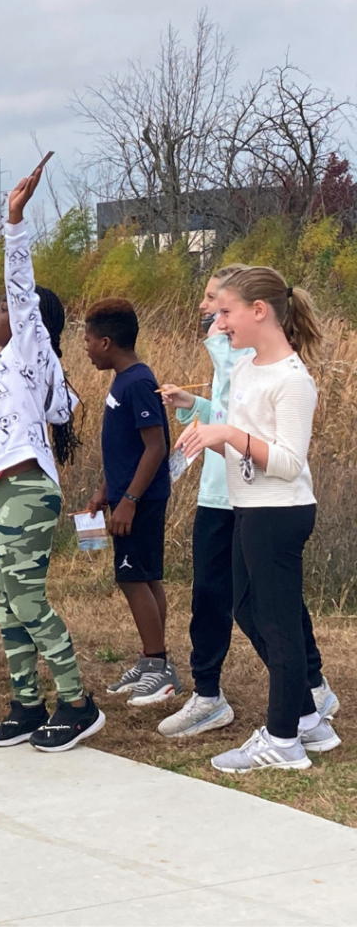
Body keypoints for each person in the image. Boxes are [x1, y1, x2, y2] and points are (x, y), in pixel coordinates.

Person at [0, 165, 103, 751]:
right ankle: (26, 702)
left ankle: (77, 702)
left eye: (1, 310)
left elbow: (21, 288)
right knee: (5, 604)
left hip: (25, 491)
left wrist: (13, 222)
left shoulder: (28, 350)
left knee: (26, 598)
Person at [178, 266, 340, 773]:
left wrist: (226, 435)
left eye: (226, 312)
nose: (219, 322)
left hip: (281, 513)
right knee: (247, 611)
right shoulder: (247, 369)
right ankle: (309, 718)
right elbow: (235, 434)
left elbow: (290, 461)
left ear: (259, 311)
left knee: (279, 624)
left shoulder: (294, 381)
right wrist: (206, 429)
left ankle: (284, 740)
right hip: (249, 508)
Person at [155, 264, 253, 737]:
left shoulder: (242, 352)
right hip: (218, 490)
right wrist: (192, 407)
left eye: (213, 299)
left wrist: (218, 339)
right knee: (212, 596)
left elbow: (244, 422)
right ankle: (208, 693)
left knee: (252, 601)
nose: (203, 306)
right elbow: (226, 413)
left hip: (244, 495)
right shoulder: (228, 353)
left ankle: (310, 689)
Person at [85, 298, 180, 706]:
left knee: (132, 578)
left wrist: (128, 501)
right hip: (125, 495)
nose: (85, 347)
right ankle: (150, 657)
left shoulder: (138, 382)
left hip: (140, 502)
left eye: (88, 340)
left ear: (107, 342)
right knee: (145, 575)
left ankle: (159, 669)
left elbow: (155, 446)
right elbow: (125, 447)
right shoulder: (122, 380)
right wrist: (107, 488)